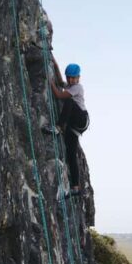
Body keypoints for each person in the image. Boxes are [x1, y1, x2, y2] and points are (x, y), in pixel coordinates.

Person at [49, 60, 89, 195]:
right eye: (69, 77)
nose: (71, 80)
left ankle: (58, 127)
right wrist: (55, 66)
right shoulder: (71, 86)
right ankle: (76, 187)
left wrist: (50, 83)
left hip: (81, 119)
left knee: (69, 101)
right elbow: (61, 84)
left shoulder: (78, 88)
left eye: (73, 77)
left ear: (78, 78)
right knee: (71, 152)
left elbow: (59, 95)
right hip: (75, 125)